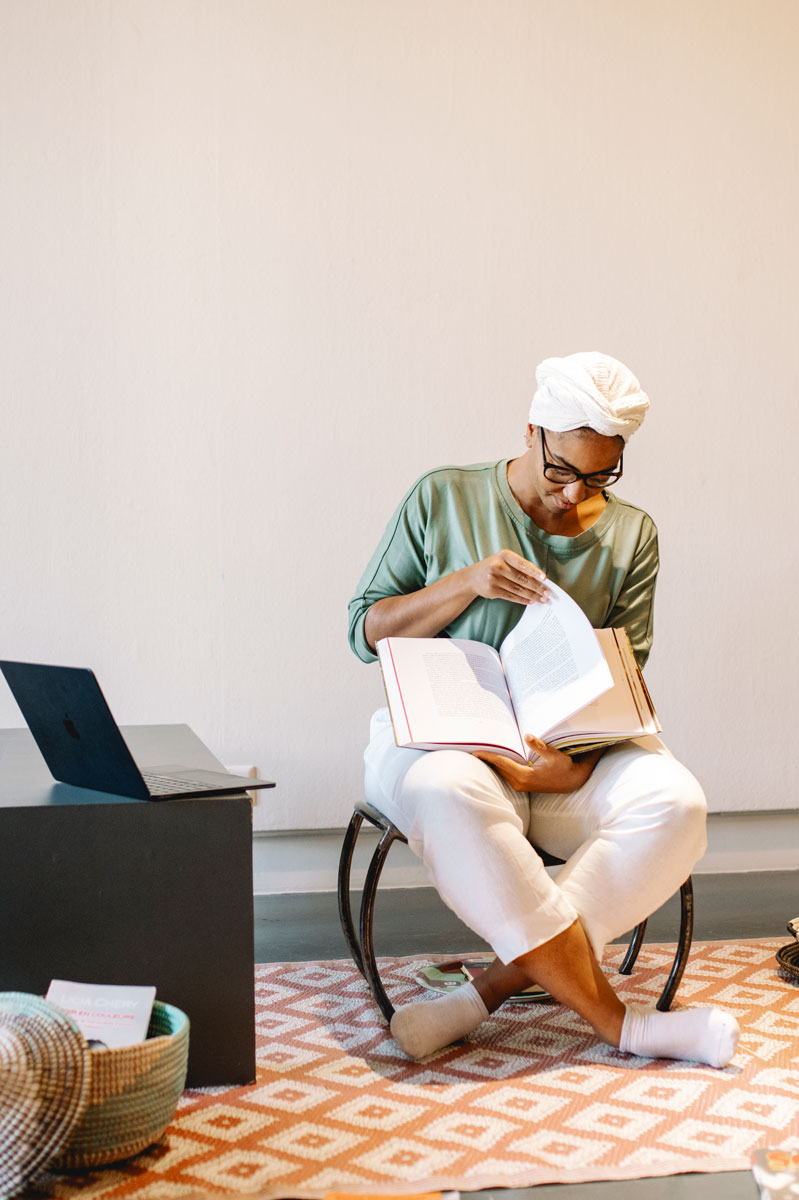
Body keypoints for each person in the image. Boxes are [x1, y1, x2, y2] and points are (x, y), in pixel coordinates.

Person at [348, 351, 739, 1068]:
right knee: (444, 791)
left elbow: (625, 673)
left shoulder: (632, 534)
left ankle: (480, 995)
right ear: (530, 432)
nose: (574, 493)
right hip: (449, 745)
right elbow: (365, 630)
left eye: (599, 476)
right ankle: (621, 1025)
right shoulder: (442, 496)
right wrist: (465, 584)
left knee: (676, 803)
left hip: (566, 757)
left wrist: (573, 768)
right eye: (561, 469)